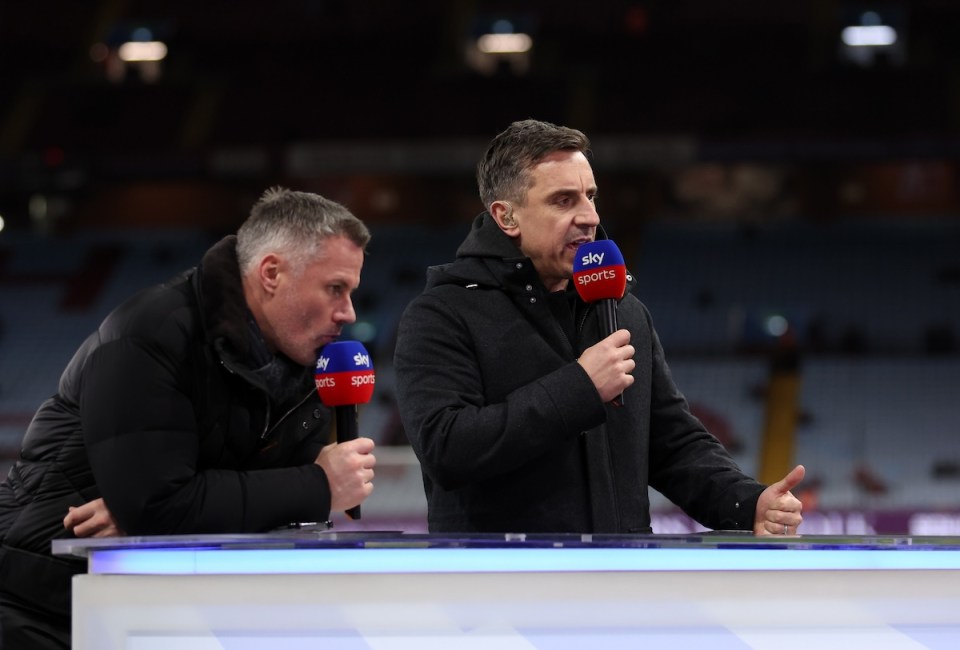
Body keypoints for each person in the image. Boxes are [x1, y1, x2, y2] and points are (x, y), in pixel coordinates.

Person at [0, 187, 377, 649]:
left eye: (351, 291)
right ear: (272, 273)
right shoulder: (152, 333)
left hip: (150, 603)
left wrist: (167, 514)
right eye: (335, 288)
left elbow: (192, 508)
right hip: (40, 602)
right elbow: (162, 506)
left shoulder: (307, 362)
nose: (349, 313)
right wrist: (319, 485)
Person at [393, 119, 804, 535]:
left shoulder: (624, 310)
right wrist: (579, 388)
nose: (589, 216)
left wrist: (746, 503)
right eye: (563, 200)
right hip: (500, 584)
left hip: (619, 580)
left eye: (590, 196)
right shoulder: (442, 314)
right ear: (507, 216)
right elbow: (446, 448)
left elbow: (671, 444)